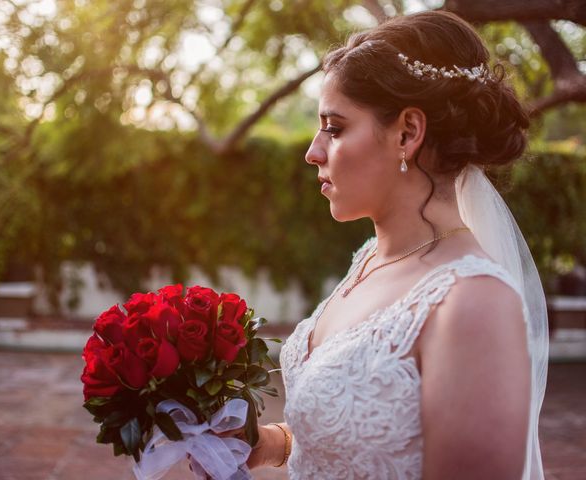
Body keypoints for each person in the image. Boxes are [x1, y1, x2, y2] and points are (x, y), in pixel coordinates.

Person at [224, 10, 549, 479]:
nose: (312, 151)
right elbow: (345, 441)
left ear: (407, 133)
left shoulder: (473, 302)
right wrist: (263, 443)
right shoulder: (369, 260)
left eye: (334, 128)